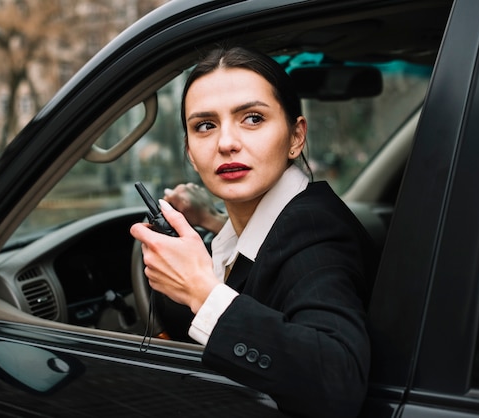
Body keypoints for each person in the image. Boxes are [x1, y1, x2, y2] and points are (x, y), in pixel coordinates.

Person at [130, 46, 377, 418]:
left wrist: (200, 290)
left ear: (296, 137)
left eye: (252, 118)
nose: (226, 142)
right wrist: (214, 224)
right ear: (191, 152)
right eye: (205, 126)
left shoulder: (316, 233)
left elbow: (338, 382)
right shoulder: (268, 223)